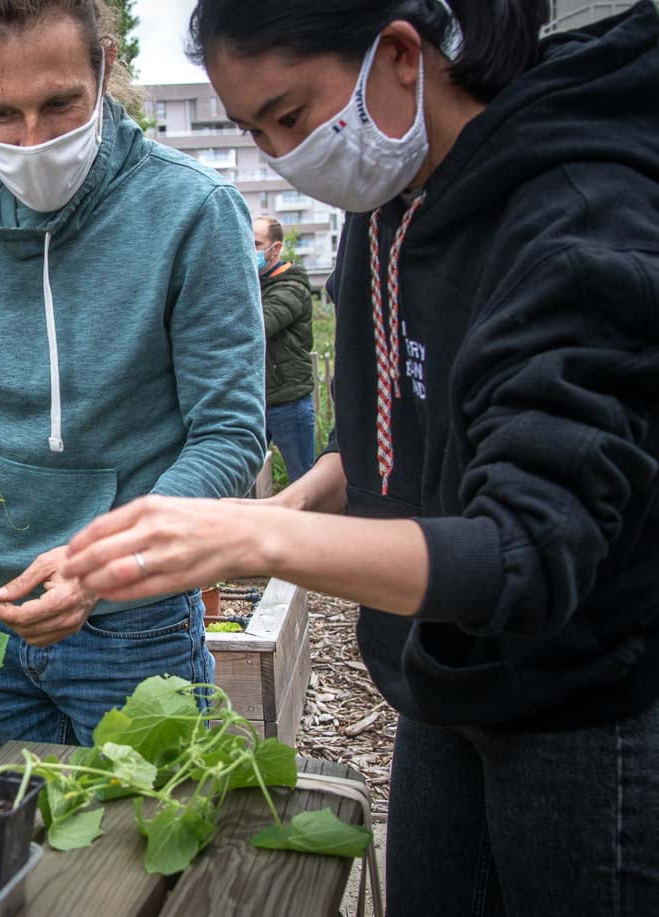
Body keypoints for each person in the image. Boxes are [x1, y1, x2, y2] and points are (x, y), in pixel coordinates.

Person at [62, 1, 659, 912]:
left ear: (401, 54)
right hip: (445, 674)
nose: (281, 156)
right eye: (254, 132)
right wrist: (280, 508)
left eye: (291, 116)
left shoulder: (576, 217)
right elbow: (396, 436)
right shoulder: (391, 201)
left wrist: (251, 542)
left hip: (582, 700)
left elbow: (527, 550)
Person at [0, 0, 267, 747]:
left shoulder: (192, 211)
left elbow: (229, 436)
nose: (33, 140)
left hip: (135, 625)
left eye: (61, 104)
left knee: (146, 820)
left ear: (105, 66)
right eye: (2, 113)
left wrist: (105, 562)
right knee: (1, 819)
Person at [253, 215, 316, 481]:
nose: (249, 250)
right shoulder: (256, 285)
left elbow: (259, 326)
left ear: (276, 248)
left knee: (304, 480)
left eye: (256, 244)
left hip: (288, 402)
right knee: (244, 479)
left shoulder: (291, 288)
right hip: (257, 403)